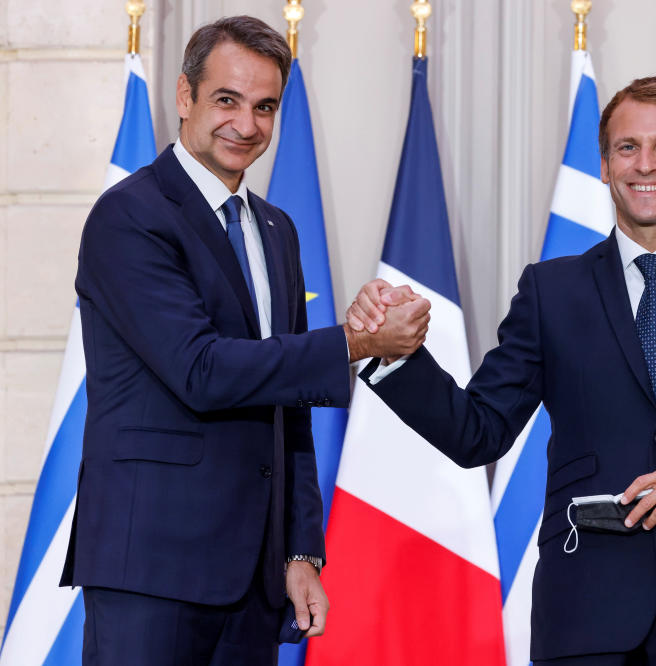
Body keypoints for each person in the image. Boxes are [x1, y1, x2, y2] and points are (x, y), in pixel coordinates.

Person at [348, 77, 656, 665]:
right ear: (604, 166)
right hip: (583, 615)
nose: (645, 165)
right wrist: (394, 353)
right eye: (627, 148)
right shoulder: (551, 290)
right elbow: (477, 431)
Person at [60, 16, 429, 666]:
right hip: (150, 569)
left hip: (253, 580)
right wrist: (354, 342)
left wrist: (299, 552)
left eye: (265, 107)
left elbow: (288, 407)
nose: (247, 124)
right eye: (226, 100)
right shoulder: (130, 217)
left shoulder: (276, 230)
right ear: (185, 96)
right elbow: (201, 370)